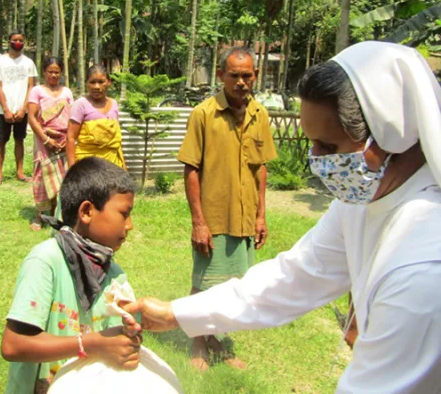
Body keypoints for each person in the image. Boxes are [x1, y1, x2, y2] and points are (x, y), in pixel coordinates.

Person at [124, 41, 441, 393]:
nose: (317, 161)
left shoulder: (422, 273)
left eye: (329, 147)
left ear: (389, 135)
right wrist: (175, 314)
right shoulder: (359, 205)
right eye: (312, 144)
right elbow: (294, 275)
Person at [1, 156, 140, 394]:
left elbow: (114, 343)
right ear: (87, 211)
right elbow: (14, 345)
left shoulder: (115, 276)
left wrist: (127, 342)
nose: (129, 225)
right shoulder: (45, 261)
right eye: (124, 214)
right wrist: (91, 343)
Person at [176, 47, 277, 370]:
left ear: (255, 76)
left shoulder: (260, 114)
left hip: (245, 216)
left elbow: (260, 168)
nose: (241, 82)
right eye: (234, 75)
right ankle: (196, 343)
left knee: (234, 284)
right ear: (221, 76)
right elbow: (191, 168)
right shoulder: (204, 114)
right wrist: (198, 222)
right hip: (214, 215)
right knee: (204, 281)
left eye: (247, 75)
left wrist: (261, 215)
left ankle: (218, 339)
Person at [27, 57, 74, 231]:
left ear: (61, 73)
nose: (53, 75)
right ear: (44, 72)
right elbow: (32, 117)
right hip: (43, 140)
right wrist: (46, 140)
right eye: (50, 72)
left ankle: (57, 214)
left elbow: (72, 117)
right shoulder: (37, 91)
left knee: (63, 176)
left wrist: (66, 139)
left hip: (63, 140)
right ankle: (39, 216)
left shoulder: (67, 92)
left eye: (57, 72)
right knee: (42, 174)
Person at [0, 30, 37, 187]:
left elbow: (31, 86)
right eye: (15, 40)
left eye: (21, 40)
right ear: (9, 41)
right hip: (3, 110)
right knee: (1, 141)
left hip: (21, 111)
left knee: (19, 140)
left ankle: (20, 172)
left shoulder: (28, 63)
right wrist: (6, 109)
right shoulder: (0, 62)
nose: (18, 42)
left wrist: (24, 109)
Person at [66, 65, 125, 169]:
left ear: (109, 82)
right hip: (88, 167)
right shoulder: (80, 105)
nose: (96, 87)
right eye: (92, 82)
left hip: (112, 166)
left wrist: (123, 165)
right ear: (86, 83)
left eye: (101, 82)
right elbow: (70, 138)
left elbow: (115, 141)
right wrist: (72, 171)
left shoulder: (114, 104)